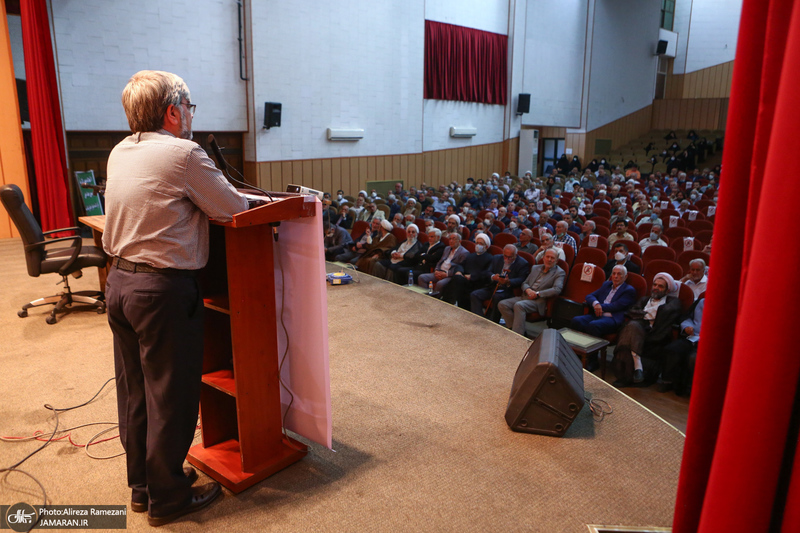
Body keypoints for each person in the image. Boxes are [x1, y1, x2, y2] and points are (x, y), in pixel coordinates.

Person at [103, 71, 241, 525]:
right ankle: (169, 498)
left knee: (136, 392)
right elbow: (231, 208)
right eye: (190, 108)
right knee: (172, 396)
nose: (191, 117)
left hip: (119, 285)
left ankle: (142, 486)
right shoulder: (183, 153)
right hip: (161, 291)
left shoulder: (121, 151)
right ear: (173, 110)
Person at [611, 273, 682, 387]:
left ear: (667, 290)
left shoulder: (673, 301)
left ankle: (626, 375)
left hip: (654, 335)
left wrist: (644, 314)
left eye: (660, 286)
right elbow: (632, 311)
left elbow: (664, 313)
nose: (656, 288)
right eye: (654, 285)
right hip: (637, 331)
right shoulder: (645, 299)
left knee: (631, 327)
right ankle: (637, 367)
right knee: (632, 327)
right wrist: (649, 315)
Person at [571, 265, 638, 370]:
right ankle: (577, 355)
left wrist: (599, 306)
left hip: (612, 319)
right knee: (576, 321)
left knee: (593, 326)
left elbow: (616, 306)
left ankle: (592, 361)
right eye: (614, 273)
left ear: (625, 276)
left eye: (619, 274)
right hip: (597, 314)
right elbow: (589, 296)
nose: (615, 276)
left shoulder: (629, 290)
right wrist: (596, 303)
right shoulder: (606, 285)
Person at [497, 248, 565, 335]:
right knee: (502, 304)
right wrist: (528, 289)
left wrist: (538, 294)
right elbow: (525, 283)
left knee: (519, 305)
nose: (549, 260)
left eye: (552, 258)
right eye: (547, 257)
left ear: (556, 260)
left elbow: (557, 289)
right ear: (543, 258)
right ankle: (514, 329)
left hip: (538, 301)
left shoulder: (559, 272)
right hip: (525, 296)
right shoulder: (535, 268)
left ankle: (517, 336)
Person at [469, 245, 531, 322]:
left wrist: (508, 281)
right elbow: (488, 272)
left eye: (510, 257)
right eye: (505, 256)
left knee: (497, 297)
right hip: (493, 286)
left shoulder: (522, 263)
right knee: (475, 295)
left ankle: (493, 322)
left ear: (516, 255)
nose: (507, 259)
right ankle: (479, 319)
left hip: (508, 290)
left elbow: (522, 279)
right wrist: (493, 276)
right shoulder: (496, 258)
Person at [658, 297, 704, 396]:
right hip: (692, 337)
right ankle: (667, 381)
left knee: (693, 358)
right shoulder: (700, 302)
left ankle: (691, 389)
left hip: (707, 343)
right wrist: (686, 326)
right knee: (672, 349)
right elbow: (686, 317)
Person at [441, 233, 494, 309]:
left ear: (486, 246)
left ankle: (446, 303)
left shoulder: (490, 258)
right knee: (457, 277)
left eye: (481, 244)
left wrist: (471, 276)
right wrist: (459, 272)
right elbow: (460, 265)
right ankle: (447, 303)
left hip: (476, 282)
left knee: (457, 280)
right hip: (464, 280)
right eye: (477, 243)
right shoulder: (471, 255)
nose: (478, 245)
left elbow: (486, 274)